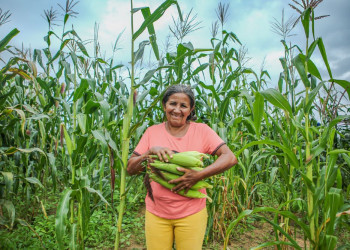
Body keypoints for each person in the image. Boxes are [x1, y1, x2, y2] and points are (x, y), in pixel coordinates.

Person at [127, 84, 237, 250]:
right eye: (172, 104)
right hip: (157, 213)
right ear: (164, 105)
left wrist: (198, 176)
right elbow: (130, 169)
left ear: (191, 109)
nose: (177, 110)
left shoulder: (202, 131)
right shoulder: (152, 132)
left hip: (191, 214)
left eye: (183, 106)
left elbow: (230, 157)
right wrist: (149, 152)